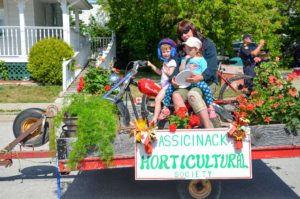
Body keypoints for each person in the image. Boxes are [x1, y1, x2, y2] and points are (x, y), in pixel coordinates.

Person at [169, 20, 219, 128]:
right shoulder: (180, 48)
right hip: (186, 83)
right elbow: (176, 67)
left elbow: (212, 68)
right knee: (176, 95)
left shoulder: (207, 44)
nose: (184, 35)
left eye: (186, 31)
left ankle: (208, 128)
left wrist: (200, 77)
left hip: (206, 81)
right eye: (181, 33)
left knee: (193, 94)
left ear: (193, 29)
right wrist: (173, 78)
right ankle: (186, 127)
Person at [163, 37, 216, 119]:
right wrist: (184, 61)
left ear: (197, 50)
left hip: (196, 81)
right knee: (170, 88)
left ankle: (210, 107)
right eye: (186, 49)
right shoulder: (185, 58)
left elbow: (204, 72)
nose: (187, 51)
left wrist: (196, 75)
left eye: (190, 49)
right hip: (186, 81)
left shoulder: (201, 60)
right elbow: (181, 70)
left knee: (205, 88)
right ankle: (165, 107)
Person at [147, 38, 177, 125]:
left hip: (168, 85)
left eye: (167, 51)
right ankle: (160, 114)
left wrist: (166, 69)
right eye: (163, 52)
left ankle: (154, 120)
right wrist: (151, 65)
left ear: (172, 51)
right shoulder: (165, 62)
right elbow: (160, 73)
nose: (166, 54)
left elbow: (170, 74)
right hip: (164, 85)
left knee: (157, 99)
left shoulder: (172, 62)